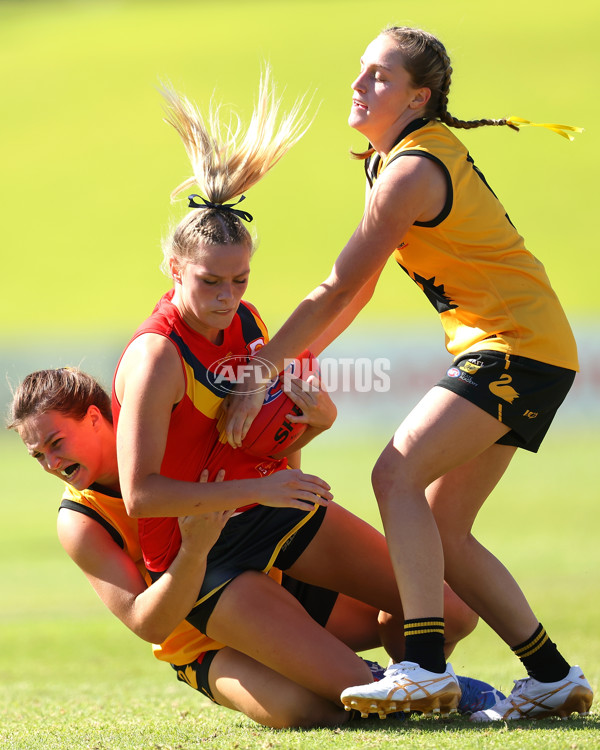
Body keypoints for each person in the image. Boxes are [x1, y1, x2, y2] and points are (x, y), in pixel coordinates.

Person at [220, 27, 593, 722]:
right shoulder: (389, 164)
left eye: (380, 77)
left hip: (515, 348)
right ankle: (550, 676)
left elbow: (336, 287)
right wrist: (289, 364)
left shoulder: (411, 171)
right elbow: (356, 294)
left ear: (419, 98)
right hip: (530, 348)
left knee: (395, 476)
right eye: (360, 71)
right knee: (444, 532)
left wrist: (261, 366)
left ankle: (421, 668)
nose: (360, 85)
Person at [8, 368, 498, 727]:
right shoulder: (80, 521)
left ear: (95, 417)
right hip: (202, 641)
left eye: (55, 443)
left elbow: (262, 470)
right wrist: (193, 552)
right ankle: (382, 680)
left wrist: (314, 424)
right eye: (37, 455)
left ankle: (410, 674)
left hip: (272, 581)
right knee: (313, 710)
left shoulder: (164, 430)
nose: (50, 463)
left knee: (445, 615)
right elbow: (148, 623)